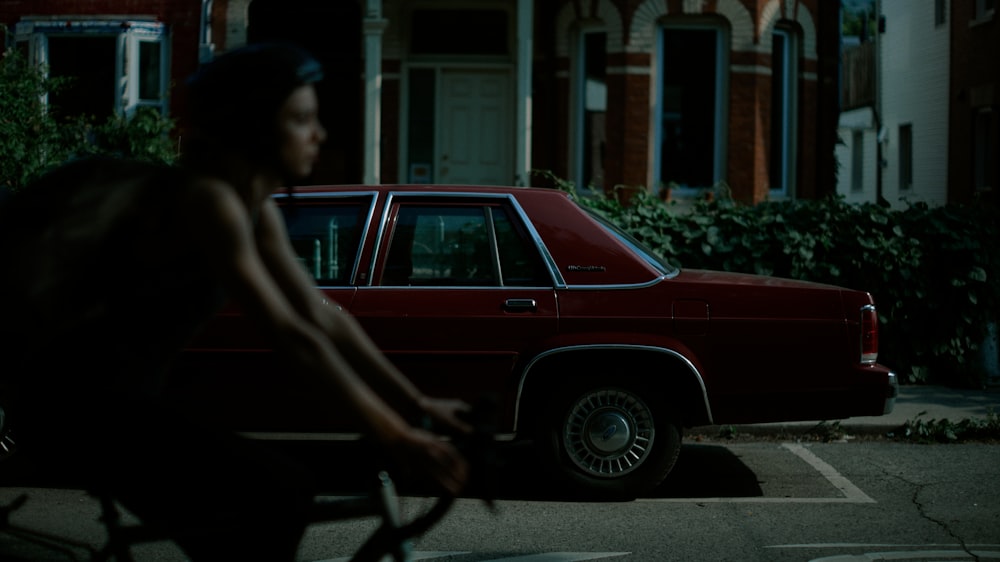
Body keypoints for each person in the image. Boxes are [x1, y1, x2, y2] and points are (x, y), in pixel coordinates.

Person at [0, 43, 470, 560]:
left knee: (267, 499)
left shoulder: (255, 209)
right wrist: (397, 435)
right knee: (276, 491)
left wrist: (416, 405)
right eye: (300, 120)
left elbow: (319, 317)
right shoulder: (208, 200)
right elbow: (290, 335)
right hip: (74, 407)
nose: (320, 134)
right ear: (254, 127)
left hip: (124, 403)